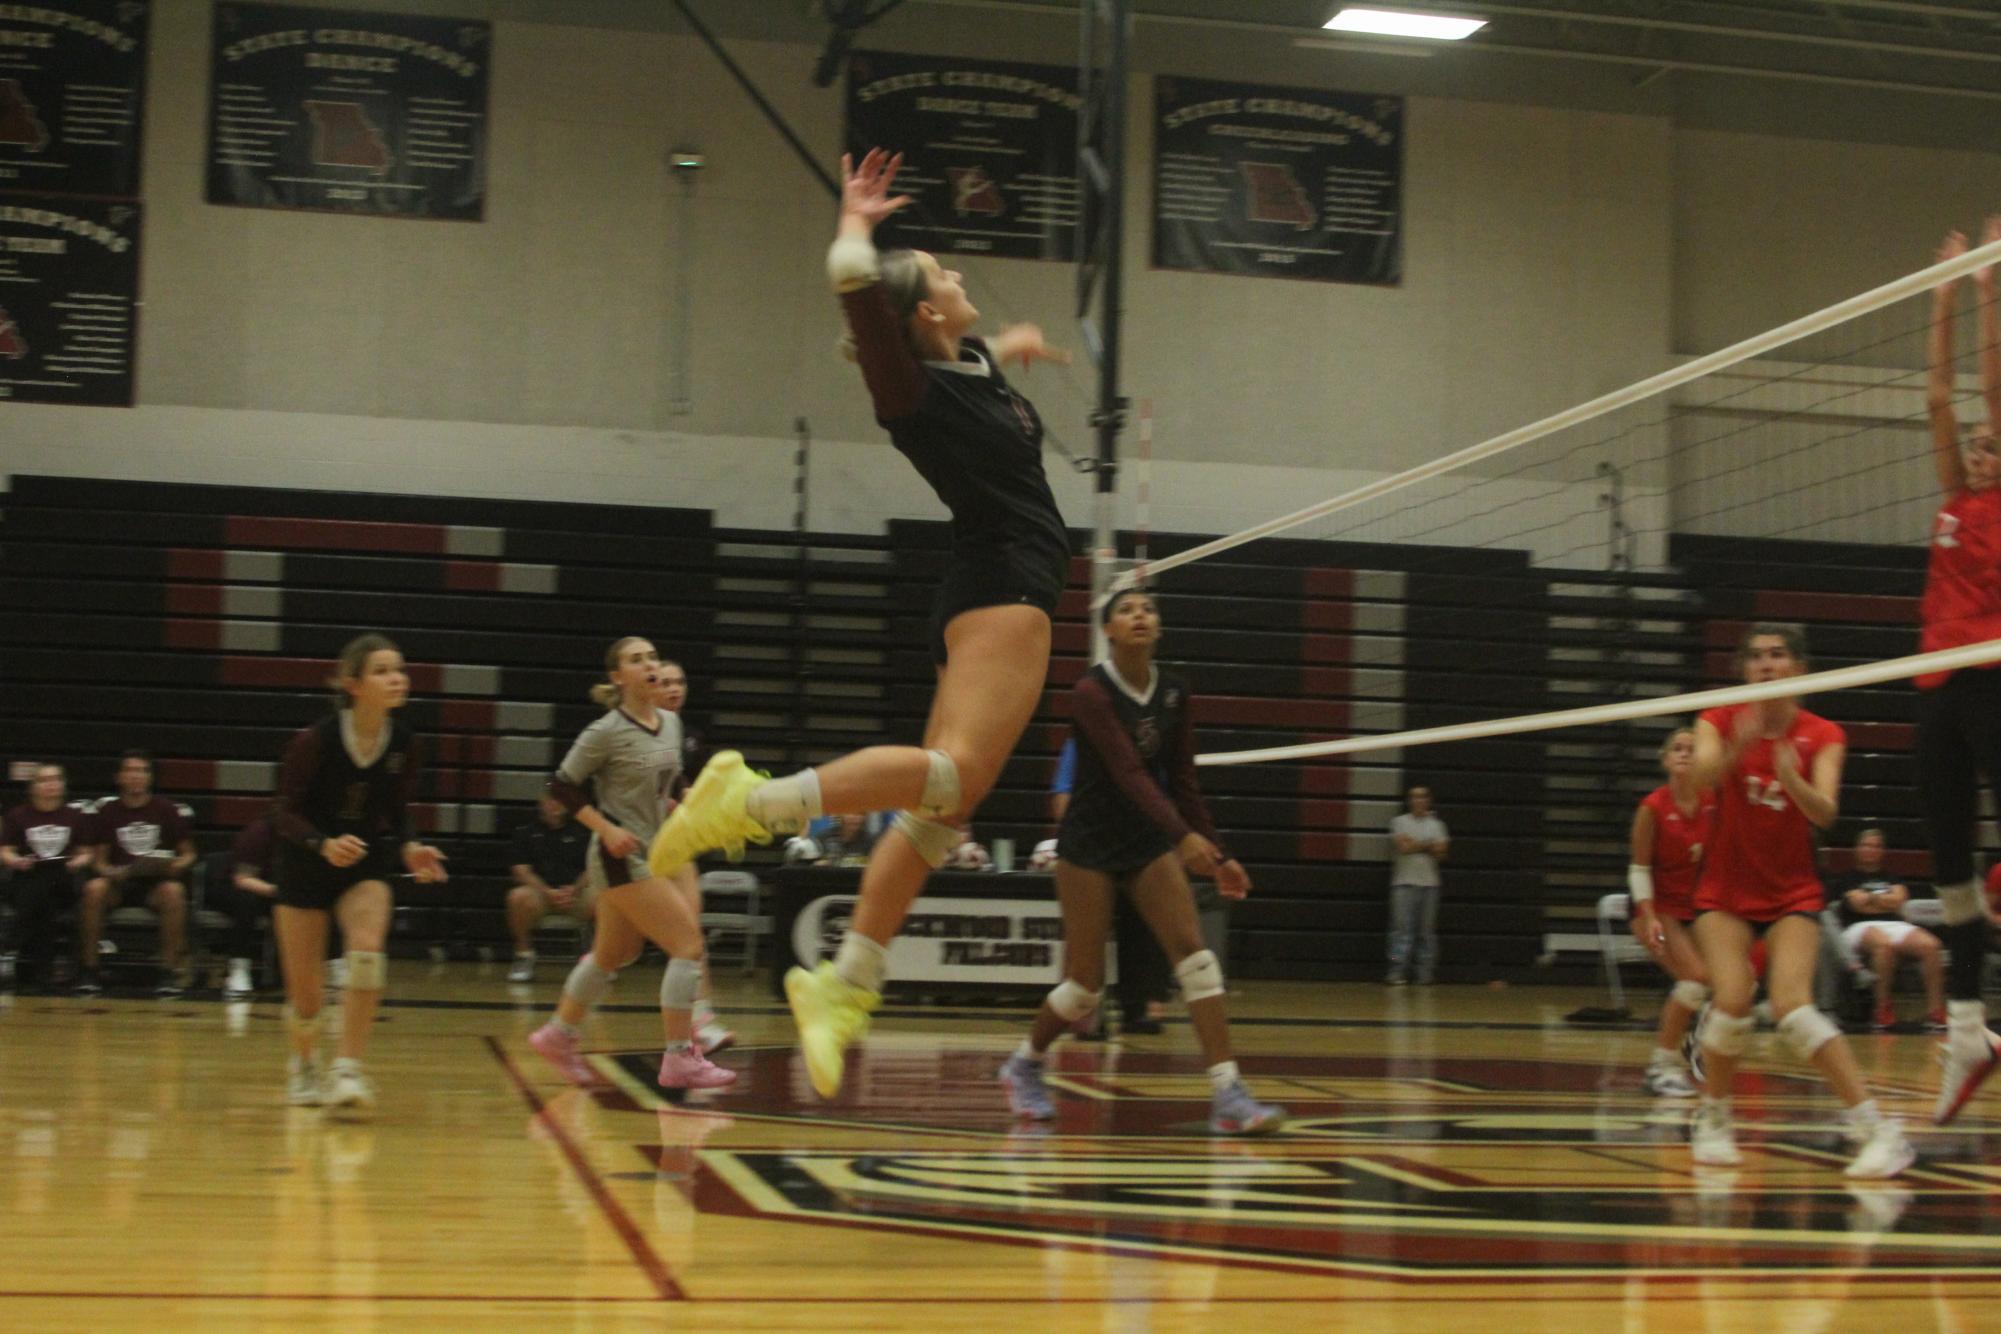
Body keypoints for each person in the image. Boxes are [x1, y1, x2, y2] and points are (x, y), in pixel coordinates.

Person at [647, 148, 1074, 1099]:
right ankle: (749, 802)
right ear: (921, 310)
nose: (958, 276)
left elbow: (975, 372)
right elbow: (855, 291)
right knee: (949, 780)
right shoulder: (908, 387)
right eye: (943, 274)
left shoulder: (961, 368)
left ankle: (845, 984)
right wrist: (857, 224)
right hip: (1003, 582)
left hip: (997, 580)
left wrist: (1011, 349)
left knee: (941, 814)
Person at [996, 589, 1284, 1134]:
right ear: (1107, 629)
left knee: (1196, 960)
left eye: (1148, 609)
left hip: (1146, 840)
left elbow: (1183, 781)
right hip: (1090, 844)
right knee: (1084, 986)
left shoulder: (1174, 690)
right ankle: (1024, 1064)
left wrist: (1217, 853)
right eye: (1127, 610)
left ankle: (1228, 1092)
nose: (1140, 616)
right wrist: (1182, 837)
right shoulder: (1091, 692)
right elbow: (1129, 773)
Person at [1686, 624, 1911, 1178]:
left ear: (1798, 668)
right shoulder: (1717, 718)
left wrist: (1791, 776)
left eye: (1778, 655)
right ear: (1744, 671)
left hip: (1790, 890)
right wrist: (1739, 745)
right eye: (1757, 657)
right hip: (1726, 887)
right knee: (1734, 998)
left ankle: (1877, 1130)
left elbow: (1826, 813)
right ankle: (1713, 1118)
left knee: (1793, 1006)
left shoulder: (1822, 733)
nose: (1767, 665)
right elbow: (1698, 784)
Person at [527, 639, 734, 1089]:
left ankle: (558, 1034)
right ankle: (680, 1056)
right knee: (687, 945)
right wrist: (605, 828)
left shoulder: (673, 724)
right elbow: (561, 786)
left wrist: (682, 802)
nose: (649, 664)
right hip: (618, 856)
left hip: (656, 852)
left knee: (615, 953)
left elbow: (670, 778)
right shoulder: (604, 731)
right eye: (636, 660)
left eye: (653, 657)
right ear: (618, 677)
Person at [272, 634, 449, 1113]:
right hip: (306, 863)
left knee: (368, 952)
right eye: (383, 671)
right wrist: (322, 844)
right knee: (307, 999)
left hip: (365, 863)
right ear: (353, 684)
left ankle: (347, 1068)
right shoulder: (316, 741)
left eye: (400, 670)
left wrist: (412, 846)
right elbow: (283, 814)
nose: (397, 678)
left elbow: (397, 808)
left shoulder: (405, 743)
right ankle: (304, 1064)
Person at [1921, 222, 2001, 1126]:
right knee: (1949, 870)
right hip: (1938, 686)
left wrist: (1983, 289)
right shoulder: (1951, 495)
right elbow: (1941, 397)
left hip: (1994, 679)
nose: (1978, 443)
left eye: (1989, 440)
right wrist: (1936, 295)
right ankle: (1969, 1033)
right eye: (1974, 442)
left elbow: (1984, 385)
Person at [1627, 726, 1716, 1097]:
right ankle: (1660, 1068)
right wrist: (1647, 915)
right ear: (1665, 759)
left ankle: (1695, 1040)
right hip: (1657, 908)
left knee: (1735, 980)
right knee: (1694, 980)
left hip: (1696, 908)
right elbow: (1639, 869)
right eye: (1677, 749)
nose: (1684, 754)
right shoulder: (1653, 807)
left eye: (1692, 749)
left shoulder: (1714, 803)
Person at [82, 751, 197, 996]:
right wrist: (111, 872)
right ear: (120, 777)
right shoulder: (109, 811)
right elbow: (98, 861)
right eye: (131, 770)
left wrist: (176, 865)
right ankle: (89, 970)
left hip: (154, 883)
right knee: (93, 889)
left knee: (174, 892)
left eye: (142, 771)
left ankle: (168, 972)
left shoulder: (166, 809)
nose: (136, 776)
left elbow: (189, 854)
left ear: (149, 778)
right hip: (120, 883)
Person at [1829, 828, 1944, 1031]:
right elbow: (1857, 905)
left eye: (1876, 846)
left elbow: (1899, 900)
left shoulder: (1893, 877)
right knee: (1884, 945)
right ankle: (1882, 1009)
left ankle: (1935, 1011)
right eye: (1866, 845)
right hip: (1857, 928)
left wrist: (1870, 898)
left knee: (1931, 946)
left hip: (1894, 924)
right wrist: (1885, 899)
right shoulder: (1847, 879)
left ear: (1882, 851)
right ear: (1857, 849)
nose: (1871, 850)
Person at [0, 764, 96, 991]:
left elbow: (87, 853)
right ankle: (44, 971)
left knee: (46, 886)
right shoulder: (18, 816)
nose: (51, 784)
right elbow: (5, 851)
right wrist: (16, 861)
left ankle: (8, 949)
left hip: (64, 879)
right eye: (44, 780)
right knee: (43, 894)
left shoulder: (74, 816)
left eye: (56, 779)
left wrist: (77, 862)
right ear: (33, 787)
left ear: (63, 785)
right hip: (27, 876)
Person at [505, 794, 592, 983]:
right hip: (541, 897)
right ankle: (524, 955)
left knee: (607, 898)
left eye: (560, 799)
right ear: (541, 803)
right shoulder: (526, 832)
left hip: (576, 896)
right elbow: (520, 871)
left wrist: (574, 889)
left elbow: (594, 867)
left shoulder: (583, 831)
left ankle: (598, 960)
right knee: (517, 897)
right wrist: (547, 892)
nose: (555, 804)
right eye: (550, 799)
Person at [212, 815, 281, 999]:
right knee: (247, 903)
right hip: (234, 887)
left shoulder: (310, 838)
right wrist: (281, 892)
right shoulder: (258, 833)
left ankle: (329, 968)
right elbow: (242, 880)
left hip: (274, 891)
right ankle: (238, 969)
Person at [1385, 787, 1448, 986]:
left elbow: (1441, 853)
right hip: (1403, 884)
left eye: (1422, 797)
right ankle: (1396, 970)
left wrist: (1417, 845)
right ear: (1409, 800)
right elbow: (1403, 847)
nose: (1419, 800)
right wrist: (1428, 845)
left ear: (1429, 800)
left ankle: (1425, 973)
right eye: (1415, 797)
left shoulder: (1437, 825)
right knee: (1400, 931)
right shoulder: (1399, 822)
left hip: (1430, 885)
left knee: (1426, 932)